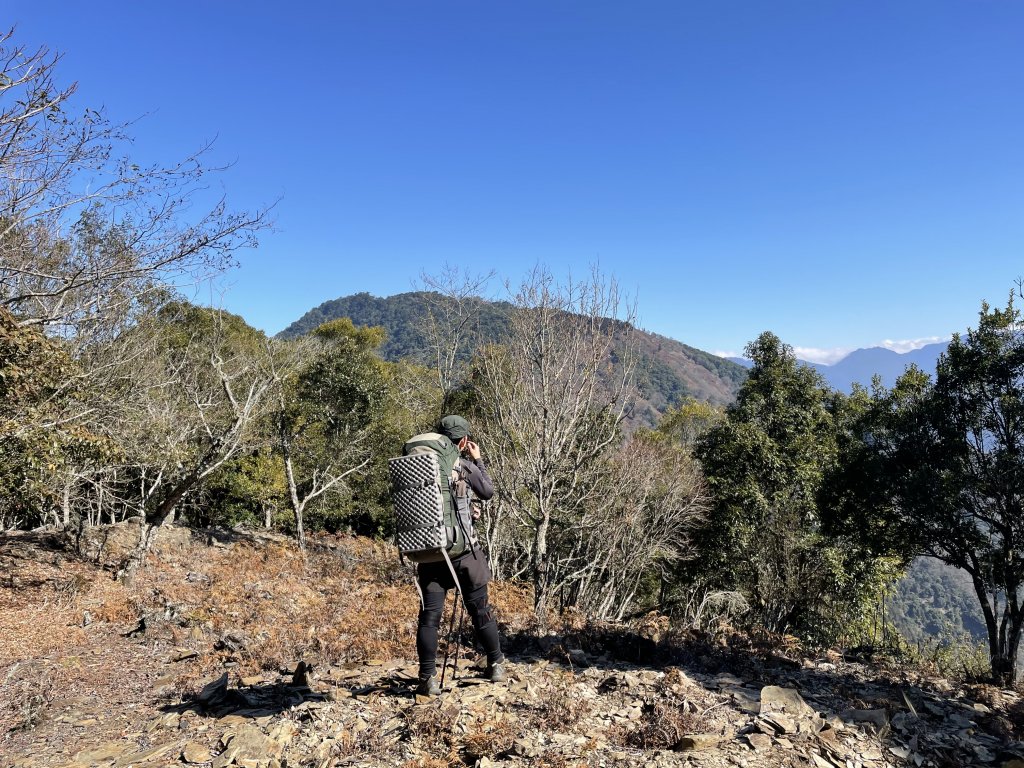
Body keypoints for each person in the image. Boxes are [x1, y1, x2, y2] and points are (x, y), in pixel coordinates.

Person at [415, 414, 505, 696]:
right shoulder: (463, 466)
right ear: (463, 441)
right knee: (480, 609)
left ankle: (427, 678)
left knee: (430, 617)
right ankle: (496, 664)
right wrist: (477, 460)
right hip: (463, 551)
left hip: (431, 551)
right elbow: (488, 491)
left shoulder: (423, 468)